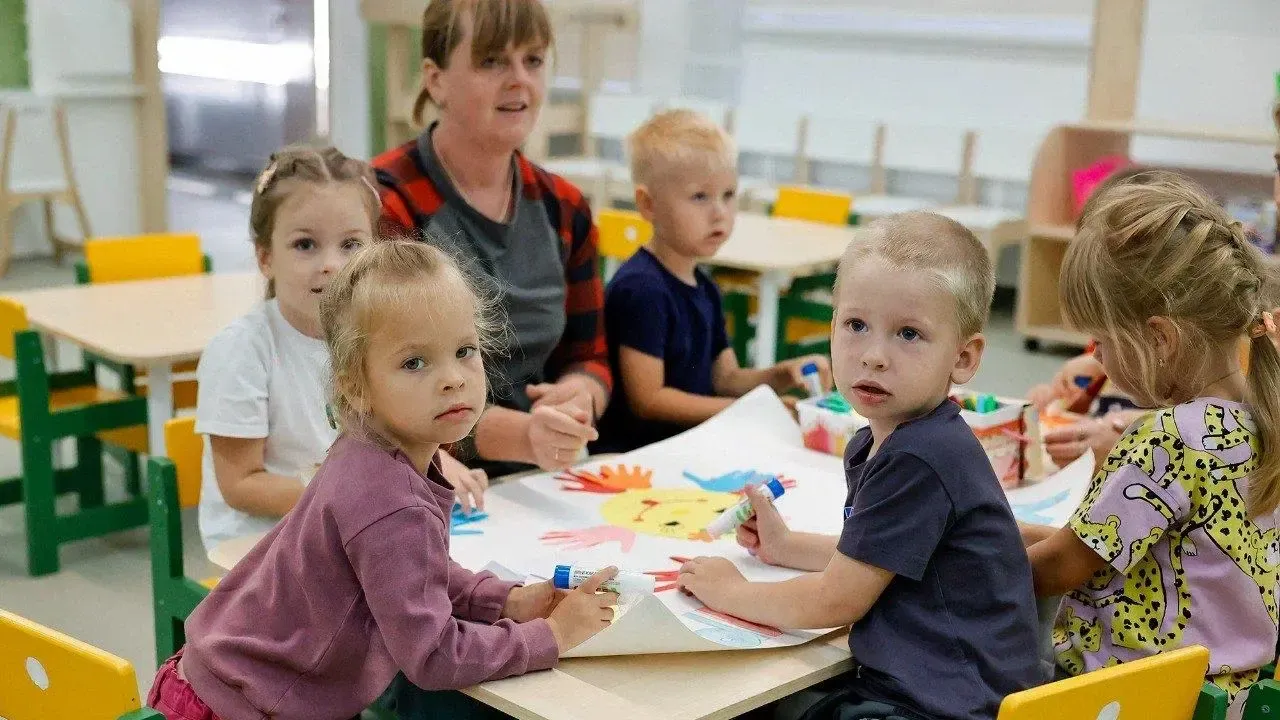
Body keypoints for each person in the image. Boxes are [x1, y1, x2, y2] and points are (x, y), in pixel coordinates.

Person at [148, 240, 619, 720]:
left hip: (219, 683)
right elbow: (434, 655)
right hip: (241, 709)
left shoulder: (371, 451)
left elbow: (416, 576)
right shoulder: (389, 499)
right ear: (356, 385)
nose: (453, 378)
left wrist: (510, 600)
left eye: (464, 350)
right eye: (415, 362)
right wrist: (552, 637)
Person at [677, 212, 1041, 720]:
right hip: (934, 687)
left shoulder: (920, 456)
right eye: (855, 325)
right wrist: (787, 546)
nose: (873, 356)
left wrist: (733, 591)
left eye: (908, 334)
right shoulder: (889, 440)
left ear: (963, 358)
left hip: (949, 704)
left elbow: (834, 602)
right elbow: (876, 555)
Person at [1021, 172, 1280, 716]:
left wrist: (955, 557)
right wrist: (1000, 530)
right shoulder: (1260, 420)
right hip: (1232, 697)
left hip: (1139, 701)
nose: (1101, 360)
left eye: (1103, 342)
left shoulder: (1166, 441)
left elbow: (1063, 567)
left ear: (1159, 340)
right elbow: (1127, 547)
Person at [196, 147, 487, 555]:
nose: (332, 264)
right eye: (305, 245)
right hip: (262, 550)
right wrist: (362, 499)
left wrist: (433, 463)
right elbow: (240, 485)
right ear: (265, 257)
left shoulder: (383, 339)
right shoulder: (242, 350)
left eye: (351, 244)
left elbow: (390, 432)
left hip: (356, 523)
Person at [373, 0, 607, 475]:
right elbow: (389, 392)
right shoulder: (384, 201)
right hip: (424, 480)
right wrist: (523, 435)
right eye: (492, 61)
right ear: (436, 80)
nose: (519, 79)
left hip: (541, 477)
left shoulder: (567, 208)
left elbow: (591, 355)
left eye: (533, 60)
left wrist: (584, 393)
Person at [594, 109, 831, 452]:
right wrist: (750, 412)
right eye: (700, 196)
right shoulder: (641, 289)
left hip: (691, 450)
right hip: (639, 461)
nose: (719, 212)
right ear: (648, 204)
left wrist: (780, 376)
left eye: (728, 194)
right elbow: (648, 399)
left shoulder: (704, 287)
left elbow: (726, 379)